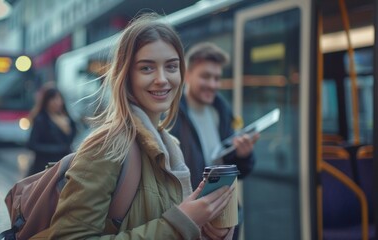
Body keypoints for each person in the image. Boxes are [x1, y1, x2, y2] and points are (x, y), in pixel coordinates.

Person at [46, 14, 236, 239]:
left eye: (171, 67)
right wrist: (179, 224)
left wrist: (202, 229)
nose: (162, 79)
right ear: (126, 76)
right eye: (147, 68)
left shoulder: (169, 145)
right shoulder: (106, 146)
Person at [170, 42, 259, 239]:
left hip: (224, 217)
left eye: (217, 78)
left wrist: (243, 155)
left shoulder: (222, 110)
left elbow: (238, 170)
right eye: (205, 76)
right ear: (187, 75)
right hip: (190, 220)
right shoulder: (171, 116)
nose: (213, 84)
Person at [26, 85, 77, 176]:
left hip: (64, 167)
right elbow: (31, 144)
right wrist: (57, 149)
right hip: (44, 168)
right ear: (46, 102)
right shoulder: (41, 120)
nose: (57, 102)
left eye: (59, 98)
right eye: (53, 99)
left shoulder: (67, 119)